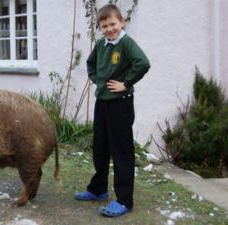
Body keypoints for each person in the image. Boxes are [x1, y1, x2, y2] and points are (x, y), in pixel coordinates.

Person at [74, 4, 150, 217]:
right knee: (100, 147)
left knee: (121, 152)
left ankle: (125, 200)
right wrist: (99, 80)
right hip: (103, 104)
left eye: (113, 24)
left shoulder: (126, 43)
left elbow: (143, 63)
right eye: (104, 25)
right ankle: (98, 189)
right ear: (100, 27)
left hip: (121, 105)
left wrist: (126, 83)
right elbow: (90, 64)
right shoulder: (101, 44)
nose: (109, 29)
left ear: (122, 22)